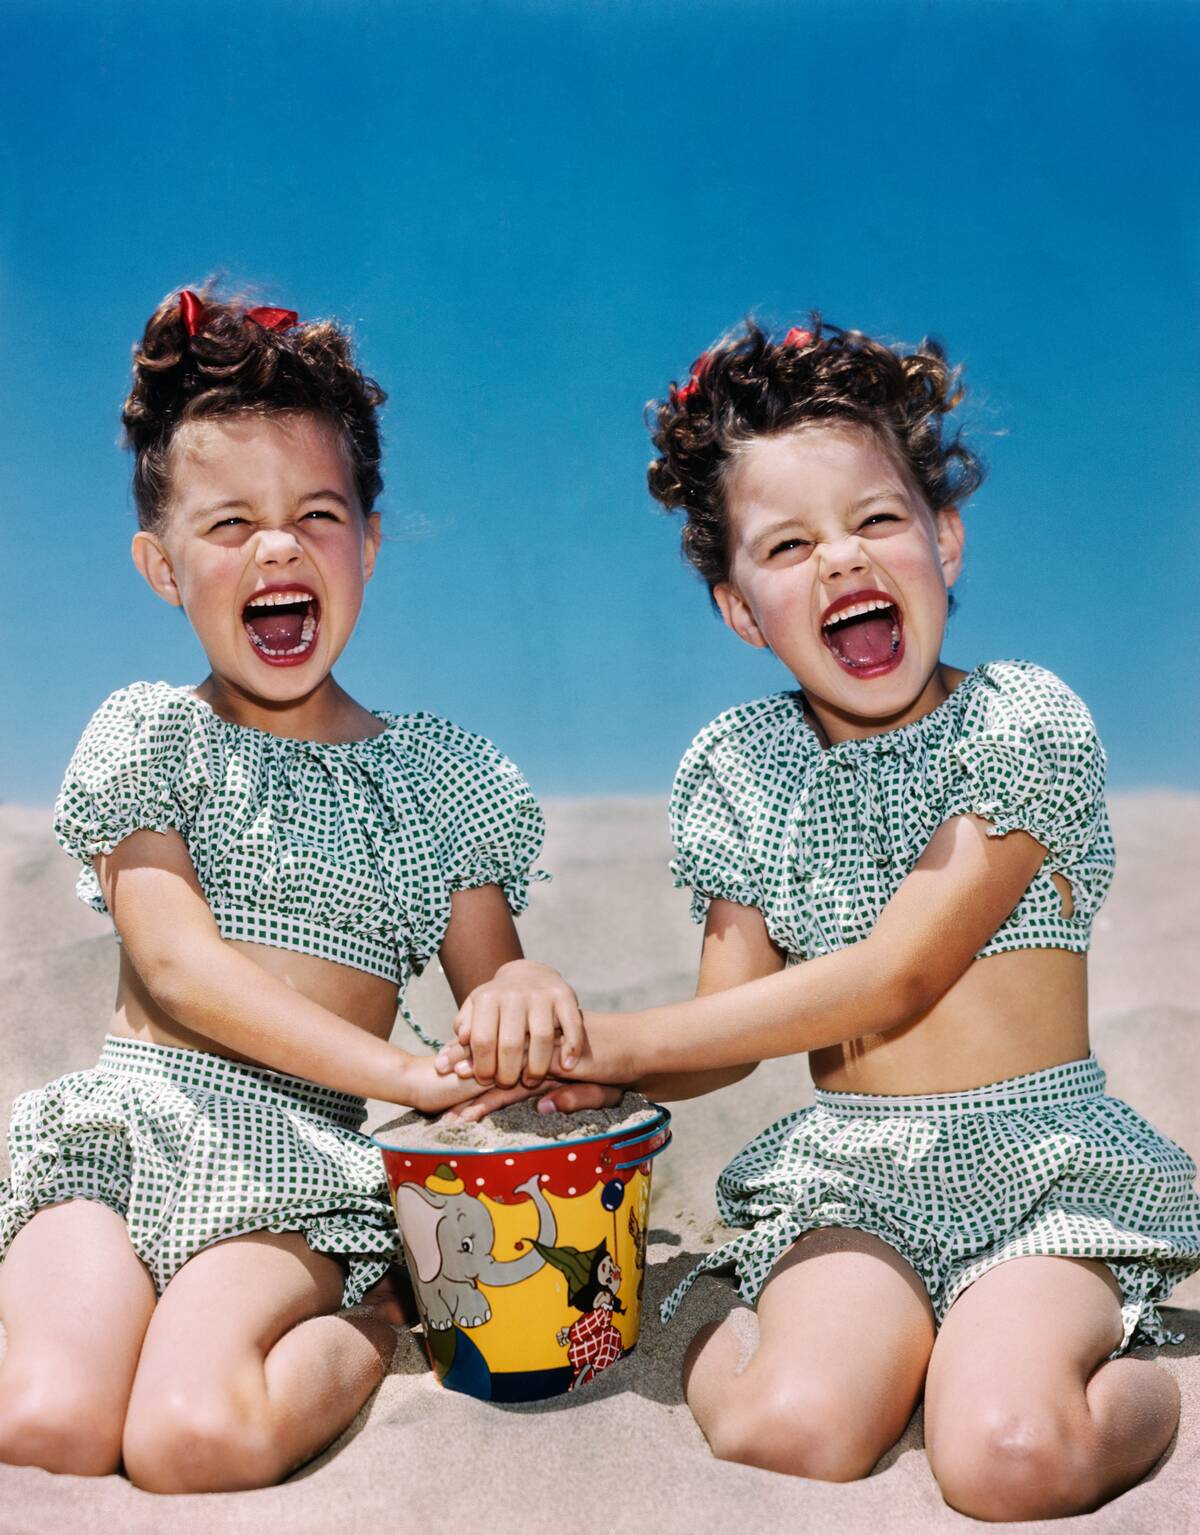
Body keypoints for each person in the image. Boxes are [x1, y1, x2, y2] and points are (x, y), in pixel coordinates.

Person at [442, 318, 1200, 1520]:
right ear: (741, 608)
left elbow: (893, 977)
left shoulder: (1022, 725)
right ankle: (723, 1304)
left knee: (1010, 1454)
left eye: (878, 519)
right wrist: (596, 1081)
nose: (842, 560)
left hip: (1040, 1167)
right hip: (854, 1174)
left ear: (943, 541)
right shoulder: (741, 767)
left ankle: (1125, 1363)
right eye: (788, 545)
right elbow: (731, 1028)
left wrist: (608, 1038)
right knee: (790, 1427)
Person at [0, 285, 583, 1492]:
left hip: (292, 1174)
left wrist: (522, 989)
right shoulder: (150, 735)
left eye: (317, 514)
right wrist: (401, 1075)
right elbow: (176, 964)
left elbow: (497, 988)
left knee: (190, 1436)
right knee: (48, 1415)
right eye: (230, 524)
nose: (277, 546)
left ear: (367, 542)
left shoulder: (437, 777)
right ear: (162, 567)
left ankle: (378, 1315)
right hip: (130, 1133)